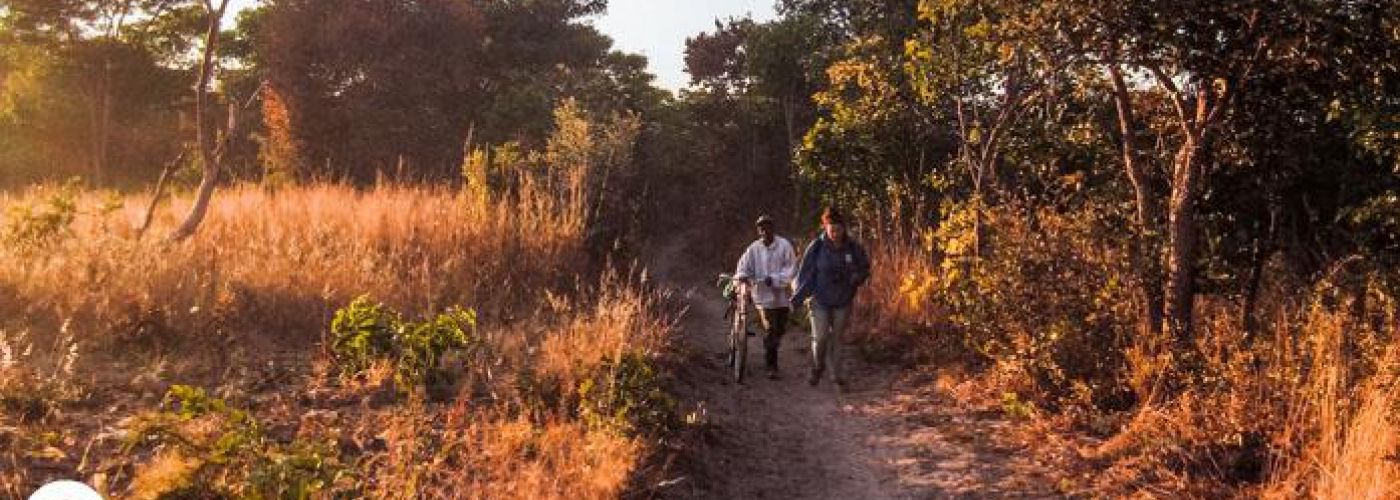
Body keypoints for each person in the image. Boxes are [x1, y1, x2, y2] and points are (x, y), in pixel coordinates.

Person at [791, 207, 870, 389]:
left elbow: (864, 267)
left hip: (843, 300)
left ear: (844, 228)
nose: (835, 233)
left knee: (837, 339)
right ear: (825, 228)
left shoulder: (853, 247)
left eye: (839, 229)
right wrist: (798, 298)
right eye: (832, 230)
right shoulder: (816, 247)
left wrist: (857, 277)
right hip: (820, 300)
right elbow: (805, 274)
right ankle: (818, 367)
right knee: (820, 338)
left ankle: (837, 376)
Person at [734, 214, 798, 379]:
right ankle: (771, 365)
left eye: (767, 227)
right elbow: (743, 266)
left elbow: (791, 268)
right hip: (763, 297)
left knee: (780, 329)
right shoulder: (753, 248)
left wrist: (776, 279)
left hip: (782, 296)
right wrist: (742, 275)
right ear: (758, 231)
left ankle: (771, 347)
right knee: (771, 328)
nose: (764, 231)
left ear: (773, 229)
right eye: (761, 228)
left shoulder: (784, 246)